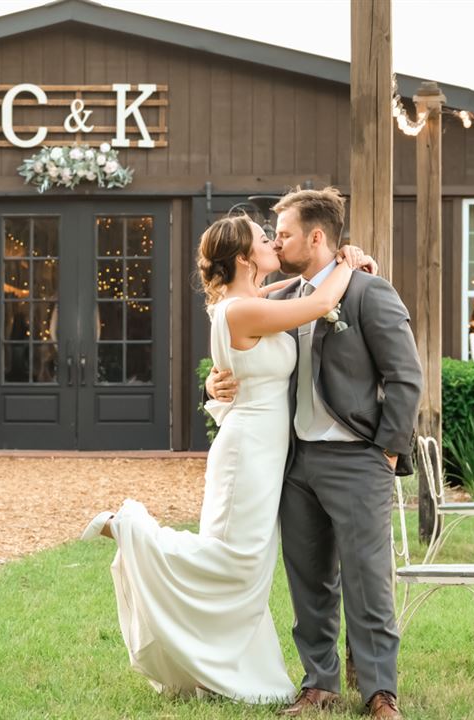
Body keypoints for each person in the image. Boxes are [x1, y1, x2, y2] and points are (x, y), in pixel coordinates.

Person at [80, 213, 375, 703]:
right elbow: (321, 302)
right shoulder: (240, 311)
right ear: (243, 257)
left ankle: (216, 666)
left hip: (262, 447)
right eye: (264, 238)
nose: (274, 243)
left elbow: (287, 303)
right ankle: (131, 530)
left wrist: (341, 265)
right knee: (234, 559)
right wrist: (347, 259)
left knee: (250, 566)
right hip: (247, 452)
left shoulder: (249, 303)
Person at [206, 187, 422, 720]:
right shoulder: (279, 300)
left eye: (284, 234)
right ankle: (319, 683)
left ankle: (379, 691)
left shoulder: (368, 291)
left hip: (357, 458)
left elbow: (406, 377)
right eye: (272, 237)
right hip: (294, 461)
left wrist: (387, 452)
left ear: (317, 236)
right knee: (308, 580)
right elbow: (244, 360)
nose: (276, 243)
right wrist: (212, 384)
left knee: (368, 578)